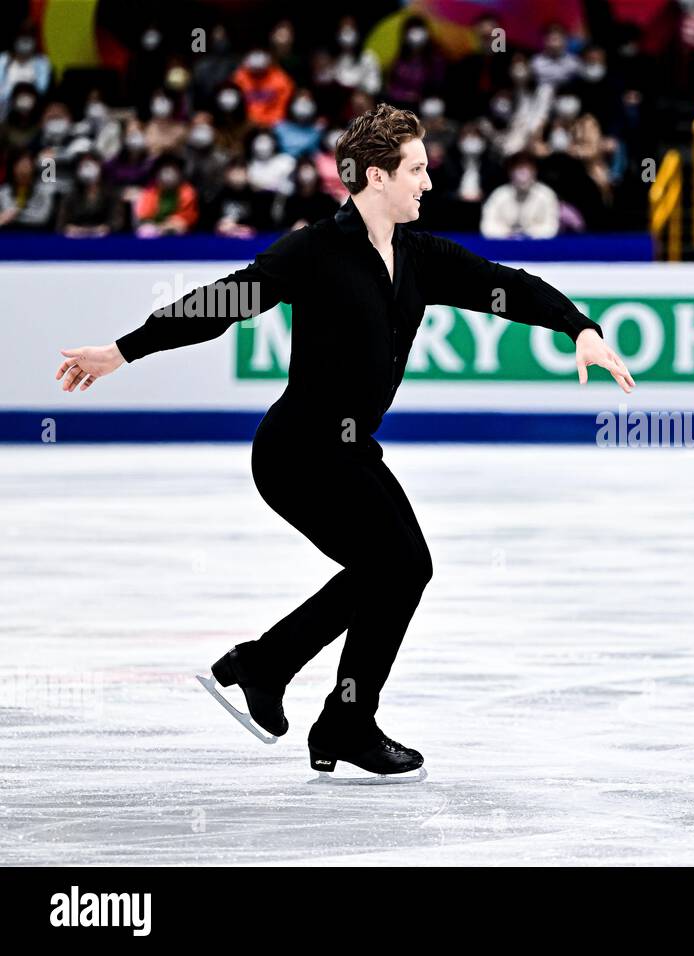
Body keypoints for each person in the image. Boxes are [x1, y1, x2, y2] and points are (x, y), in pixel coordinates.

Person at [54, 104, 635, 779]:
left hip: (350, 450)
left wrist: (579, 327)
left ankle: (287, 683)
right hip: (297, 452)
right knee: (397, 567)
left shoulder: (418, 257)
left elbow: (505, 286)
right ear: (377, 177)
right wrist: (124, 350)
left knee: (395, 569)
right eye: (416, 169)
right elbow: (220, 304)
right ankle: (320, 704)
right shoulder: (314, 252)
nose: (427, 181)